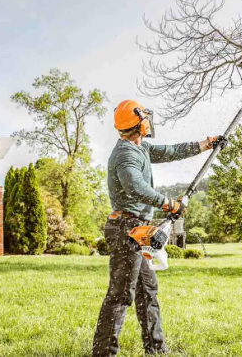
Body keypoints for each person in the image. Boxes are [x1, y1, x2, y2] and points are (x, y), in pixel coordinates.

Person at [93, 99, 226, 356]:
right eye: (145, 118)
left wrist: (207, 143)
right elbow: (136, 187)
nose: (149, 122)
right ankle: (102, 353)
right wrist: (168, 203)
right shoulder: (125, 154)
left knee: (147, 290)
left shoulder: (140, 148)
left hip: (137, 227)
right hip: (125, 228)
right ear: (139, 123)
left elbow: (172, 151)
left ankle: (156, 349)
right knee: (120, 295)